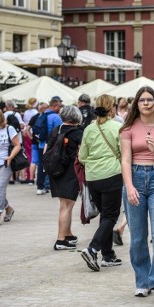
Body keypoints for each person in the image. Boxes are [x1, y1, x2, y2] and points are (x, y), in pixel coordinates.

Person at [119, 86, 154, 300]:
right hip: (136, 177)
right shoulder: (128, 128)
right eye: (142, 100)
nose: (147, 103)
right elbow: (125, 159)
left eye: (150, 100)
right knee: (138, 237)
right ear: (137, 104)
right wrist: (130, 186)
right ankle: (142, 281)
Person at [79, 94, 124, 271]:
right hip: (111, 174)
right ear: (112, 108)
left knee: (105, 216)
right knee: (111, 216)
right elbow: (123, 152)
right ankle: (92, 248)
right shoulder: (117, 127)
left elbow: (82, 156)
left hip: (93, 177)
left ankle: (108, 255)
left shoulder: (89, 129)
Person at [47, 105, 84, 250]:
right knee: (67, 206)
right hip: (71, 172)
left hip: (56, 171)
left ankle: (68, 234)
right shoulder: (78, 133)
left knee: (64, 205)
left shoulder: (56, 130)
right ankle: (60, 240)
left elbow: (46, 149)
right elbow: (82, 155)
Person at [37, 97, 63, 195]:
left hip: (41, 144)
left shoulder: (42, 115)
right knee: (52, 165)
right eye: (59, 106)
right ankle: (50, 185)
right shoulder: (56, 117)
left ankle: (40, 187)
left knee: (41, 165)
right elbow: (60, 131)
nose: (60, 108)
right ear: (55, 106)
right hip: (52, 145)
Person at [22, 98, 39, 184]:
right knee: (33, 156)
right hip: (33, 135)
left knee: (29, 155)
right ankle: (31, 176)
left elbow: (25, 124)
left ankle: (29, 176)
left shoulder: (26, 112)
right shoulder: (36, 113)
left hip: (26, 134)